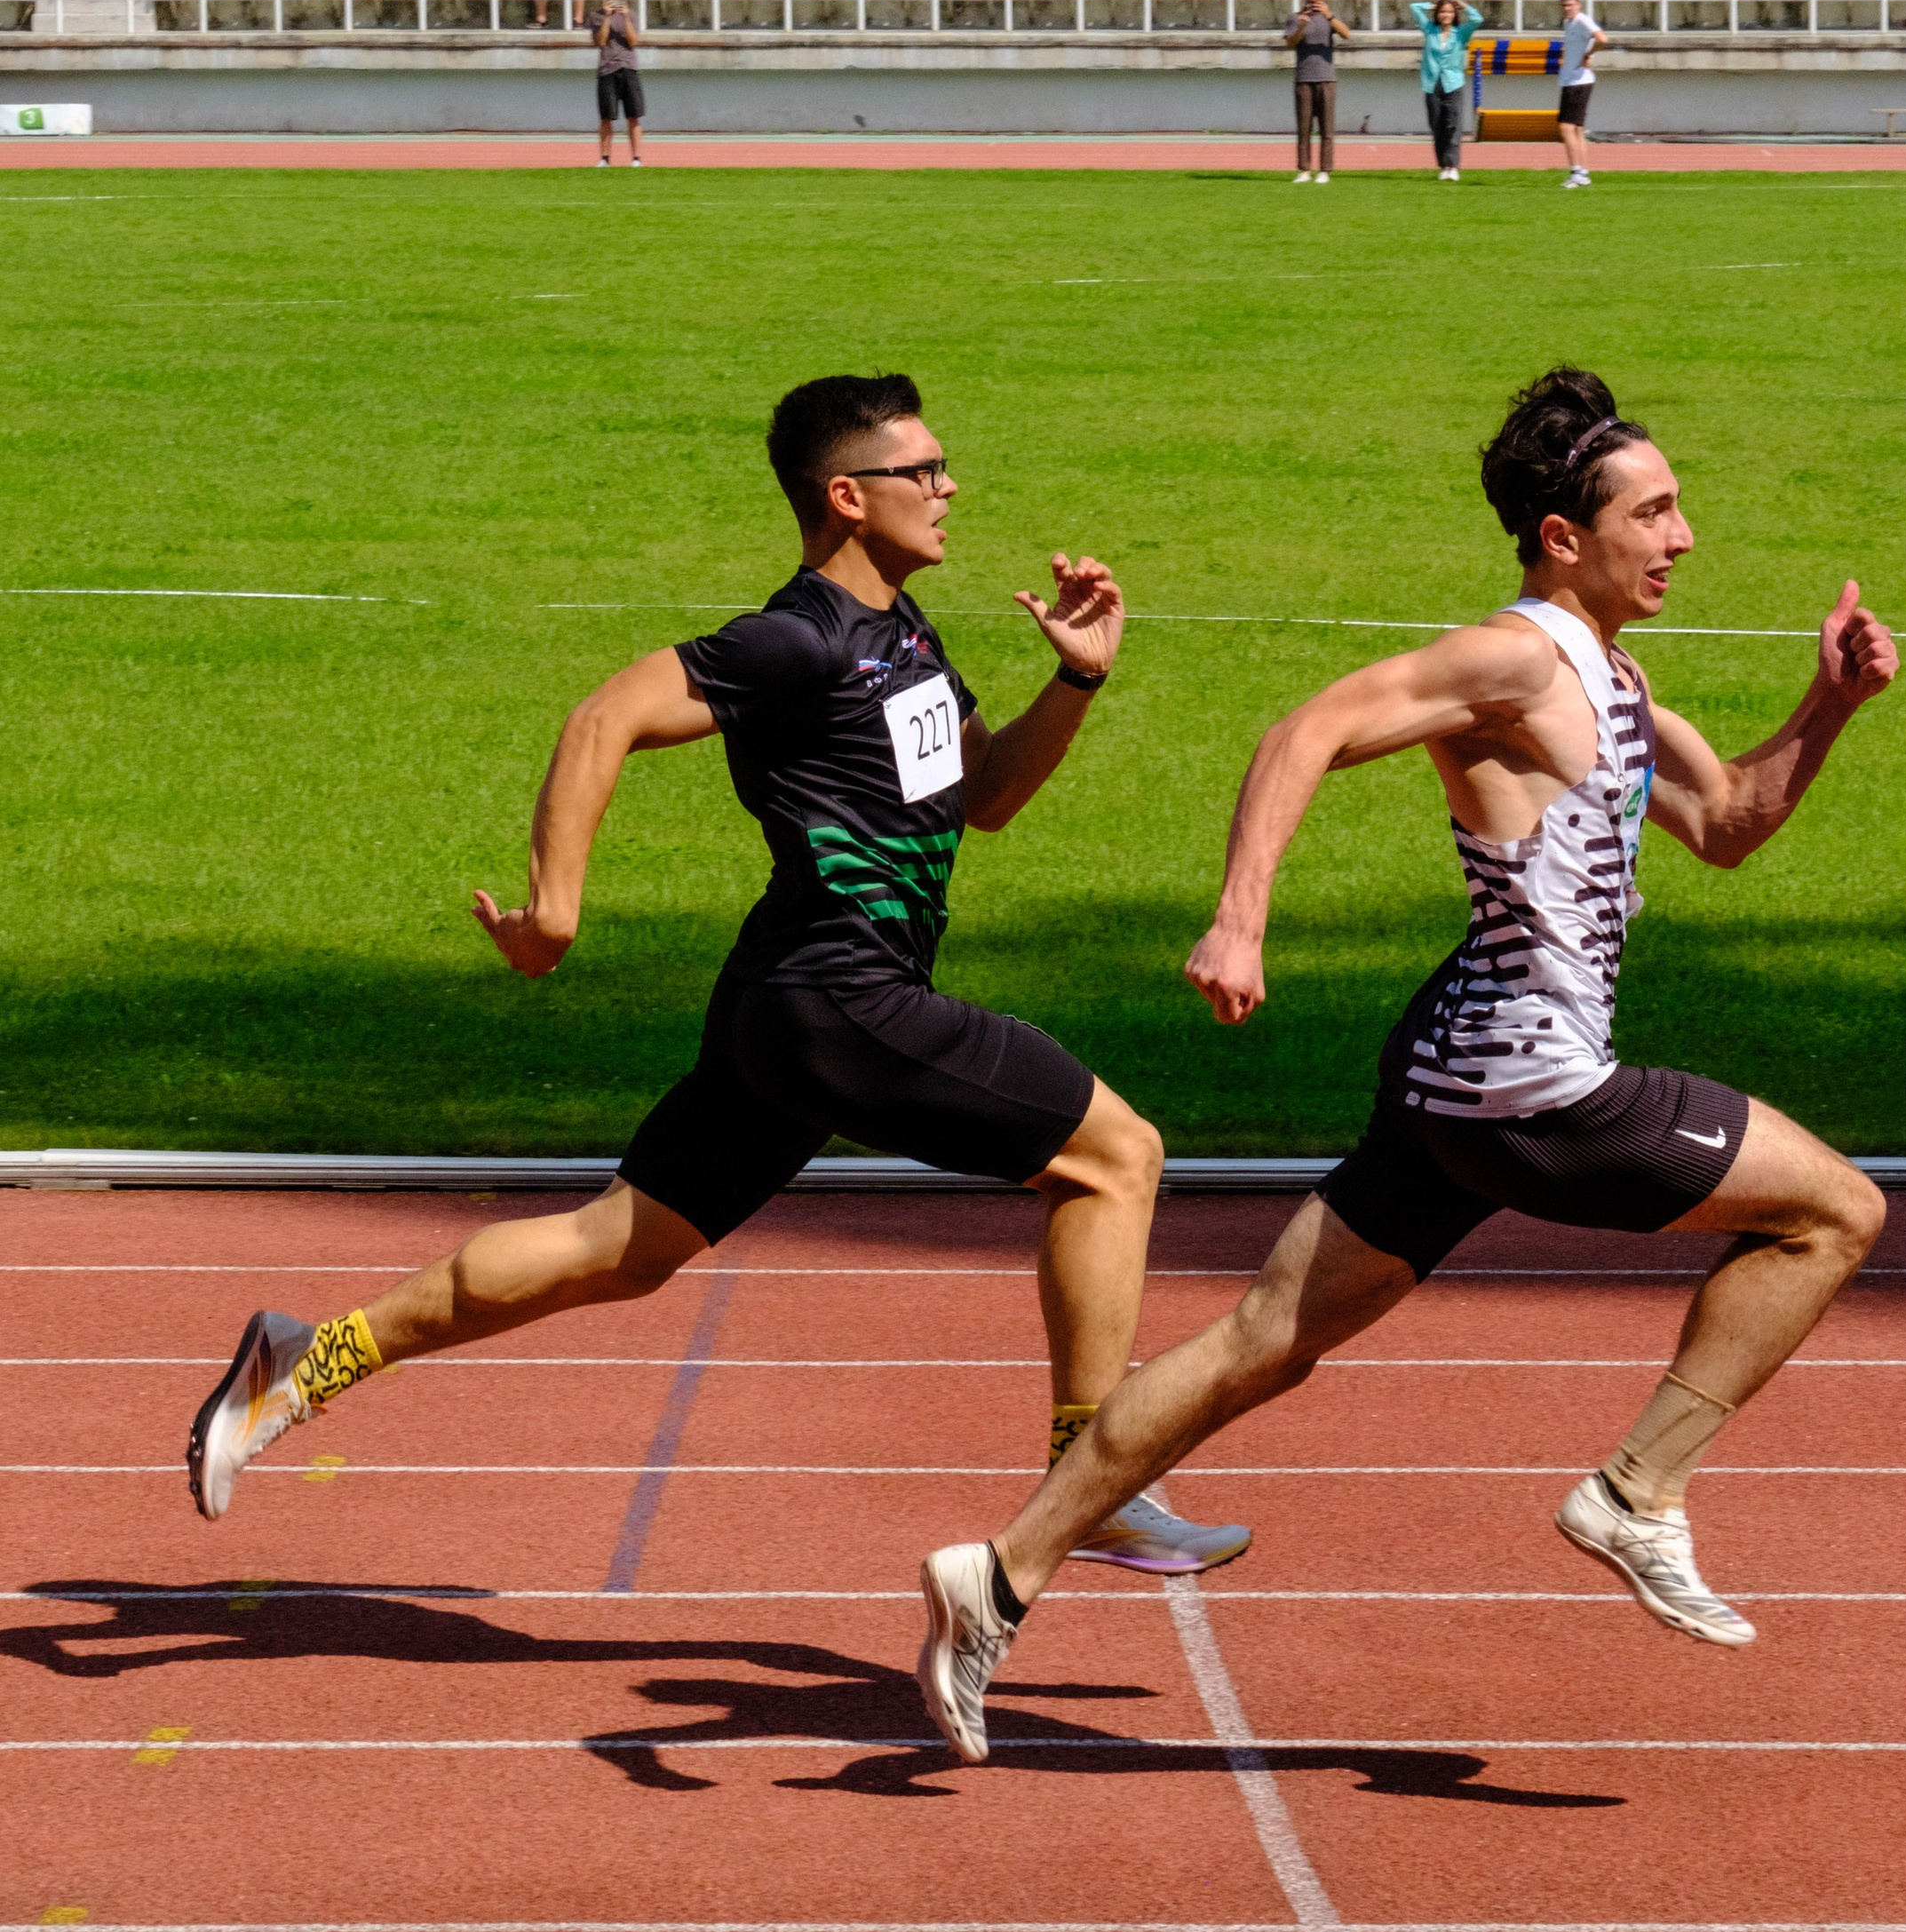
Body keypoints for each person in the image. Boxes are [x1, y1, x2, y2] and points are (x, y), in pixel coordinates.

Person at [916, 363, 1902, 1761]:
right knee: (1838, 1211)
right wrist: (1239, 918)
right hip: (1533, 1084)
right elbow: (1305, 728)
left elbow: (1731, 818)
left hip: (1450, 1083)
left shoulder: (1612, 676)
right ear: (1565, 537)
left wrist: (1831, 702)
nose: (1683, 537)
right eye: (1657, 511)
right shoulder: (1513, 658)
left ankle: (997, 1576)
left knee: (1265, 1342)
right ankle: (1637, 1492)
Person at [185, 374, 1251, 1584]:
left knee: (620, 1248)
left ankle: (303, 1361)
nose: (951, 490)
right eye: (926, 472)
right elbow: (606, 717)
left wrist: (1076, 681)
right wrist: (555, 914)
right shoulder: (793, 637)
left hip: (784, 1009)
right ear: (848, 497)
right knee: (1118, 1156)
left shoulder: (904, 637)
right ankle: (1093, 1474)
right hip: (841, 995)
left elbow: (986, 797)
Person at [1410, 0, 1485, 181]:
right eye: (1443, 12)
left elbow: (1477, 19)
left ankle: (1453, 166)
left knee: (1453, 125)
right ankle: (1443, 165)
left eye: (1449, 12)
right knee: (1437, 126)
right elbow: (1414, 8)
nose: (1446, 15)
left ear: (1455, 14)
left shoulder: (1460, 33)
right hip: (1432, 83)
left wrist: (1463, 4)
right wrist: (1433, 5)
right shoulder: (1430, 29)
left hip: (1453, 83)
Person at [1283, 0, 1350, 184]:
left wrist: (1328, 15)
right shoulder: (1295, 18)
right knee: (1303, 128)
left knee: (1326, 128)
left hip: (1327, 78)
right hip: (1304, 78)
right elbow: (1291, 44)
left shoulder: (1329, 18)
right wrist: (1303, 24)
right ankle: (1304, 170)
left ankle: (1325, 170)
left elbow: (1347, 34)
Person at [1556, 0, 1608, 190]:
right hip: (1570, 79)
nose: (1568, 9)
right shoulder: (1569, 23)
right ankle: (1583, 173)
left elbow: (1602, 38)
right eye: (1565, 6)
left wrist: (1589, 54)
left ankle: (1576, 172)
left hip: (1579, 80)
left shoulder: (1582, 21)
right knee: (1576, 129)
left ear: (1578, 4)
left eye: (1571, 5)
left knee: (1566, 127)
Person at [593, 0, 644, 170]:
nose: (614, 0)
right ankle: (605, 158)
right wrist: (607, 17)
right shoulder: (597, 16)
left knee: (634, 116)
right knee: (606, 117)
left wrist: (624, 17)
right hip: (607, 69)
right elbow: (600, 41)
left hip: (629, 68)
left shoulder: (632, 15)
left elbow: (633, 41)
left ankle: (636, 158)